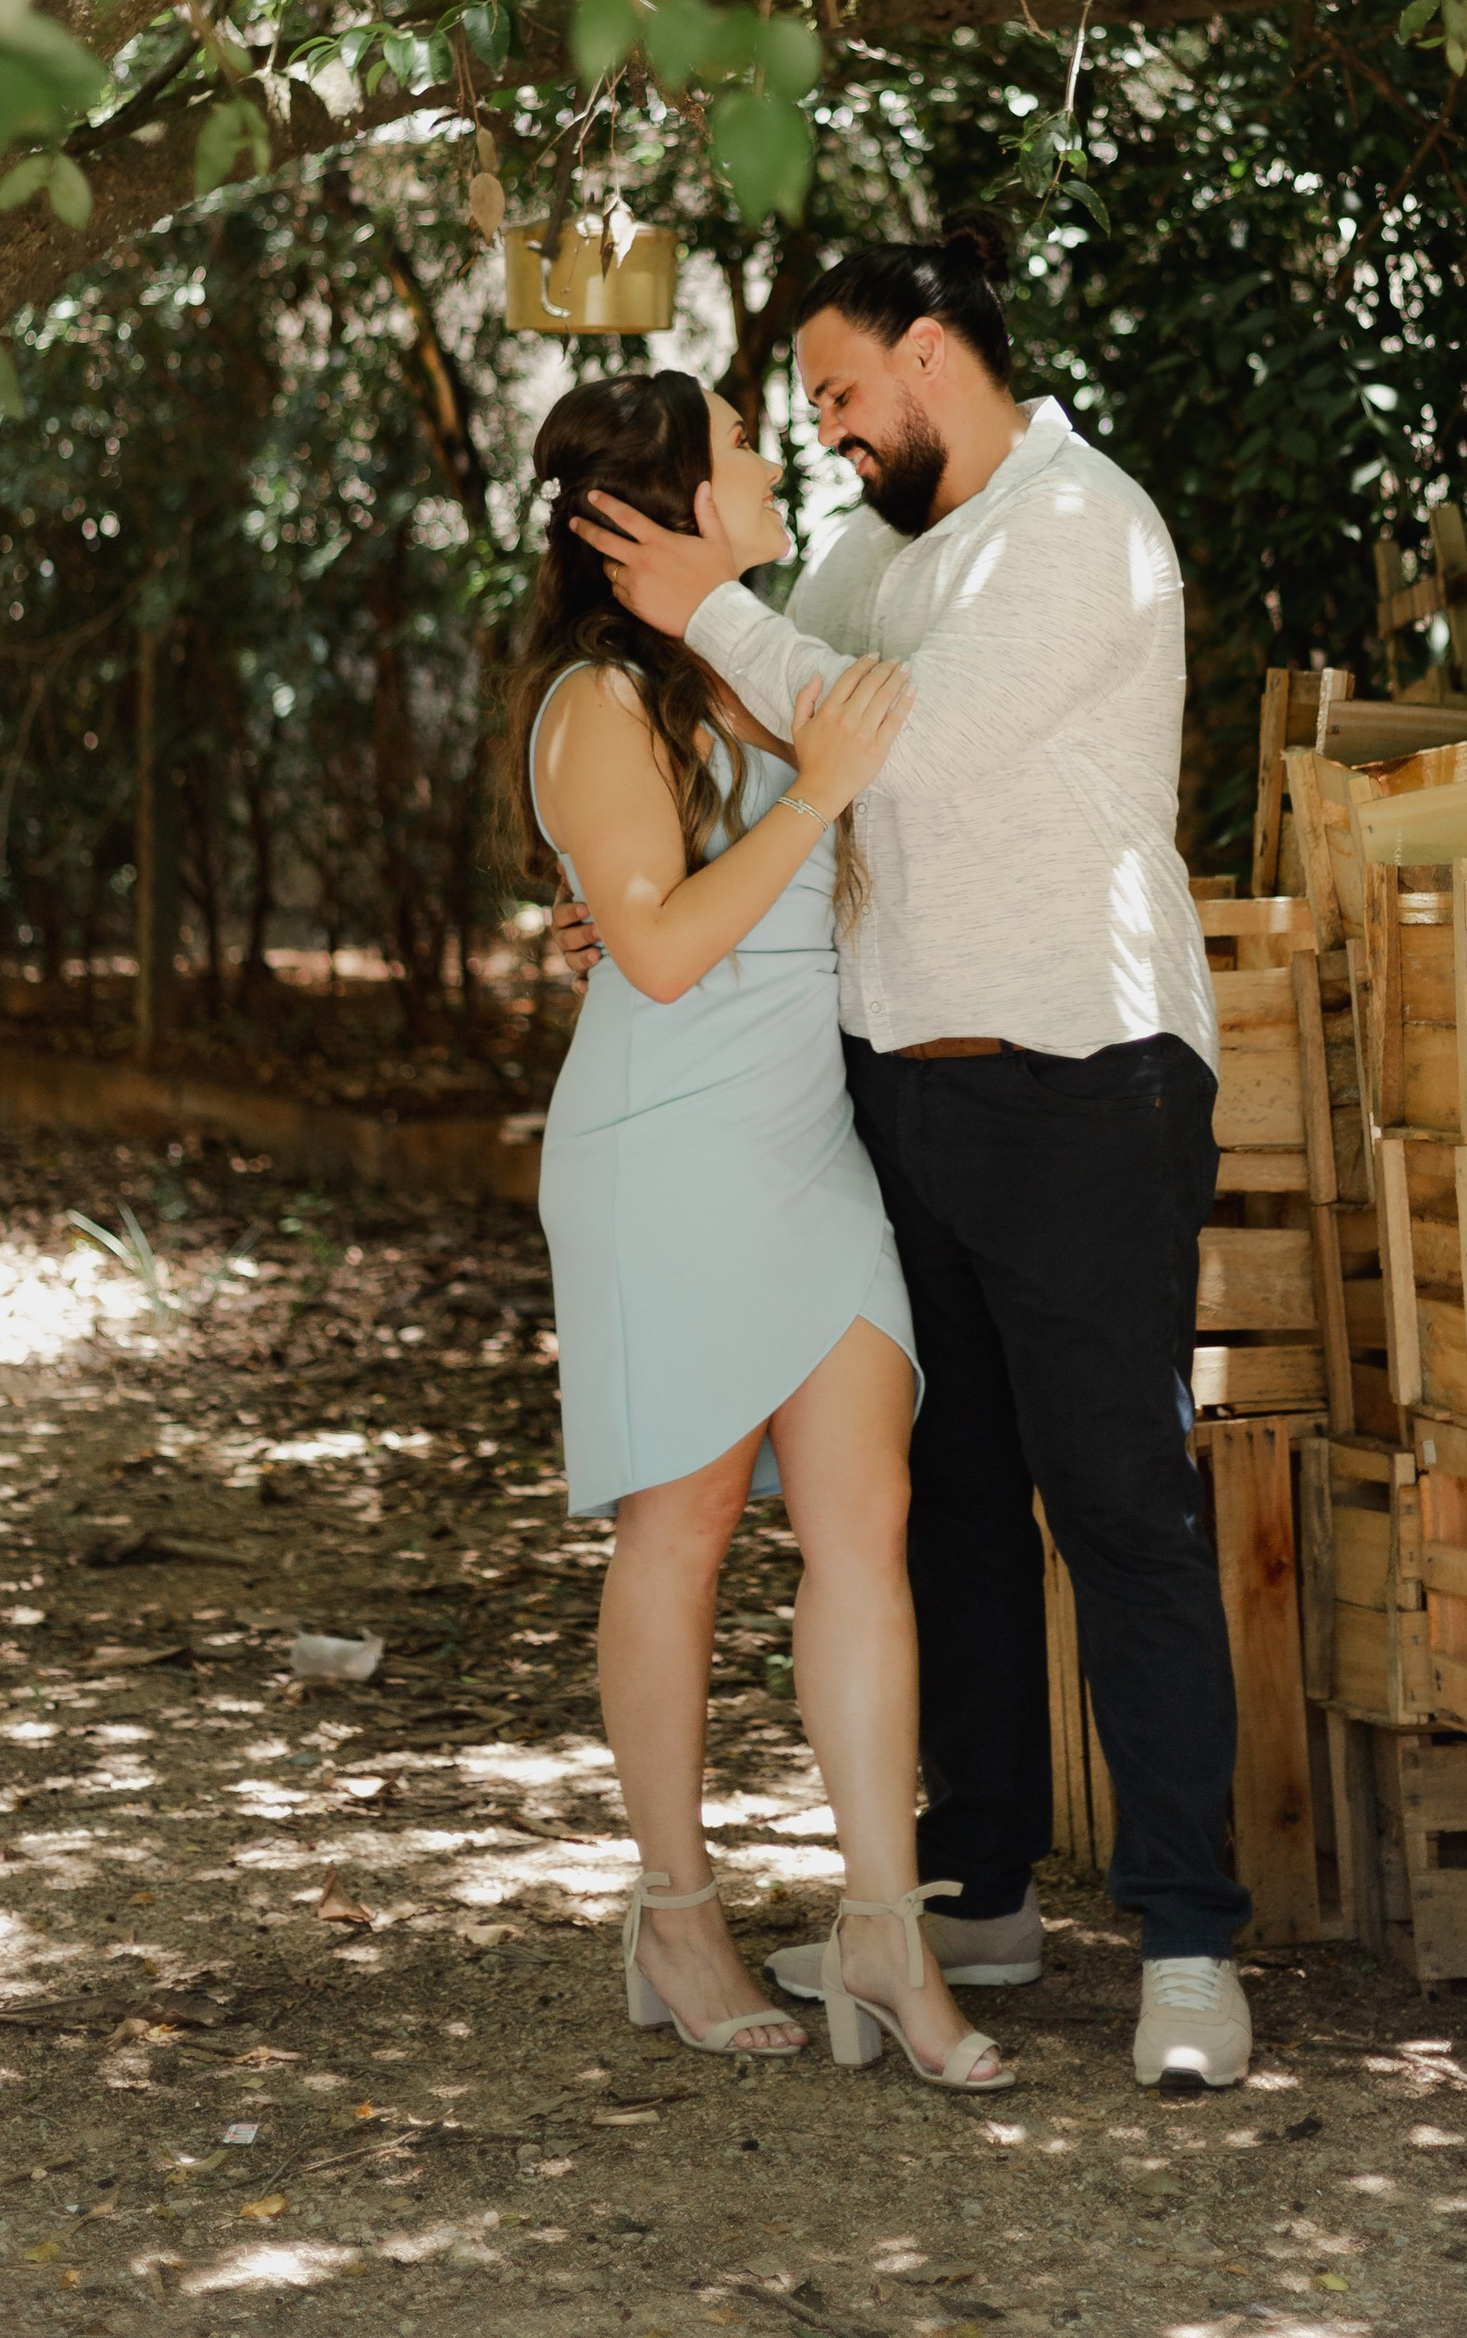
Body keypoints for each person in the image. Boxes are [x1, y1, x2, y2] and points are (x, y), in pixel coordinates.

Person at [570, 219, 1253, 2093]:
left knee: (1116, 1504)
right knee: (939, 1510)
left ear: (935, 352)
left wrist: (699, 595)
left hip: (1089, 1079)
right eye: (808, 412)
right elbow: (776, 754)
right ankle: (982, 1894)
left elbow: (902, 754)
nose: (833, 438)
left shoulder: (1078, 531)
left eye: (845, 395)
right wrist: (623, 901)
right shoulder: (876, 556)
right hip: (897, 1090)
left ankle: (1190, 1940)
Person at [513, 366, 1013, 2093]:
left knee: (864, 1521)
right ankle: (674, 1909)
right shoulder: (598, 703)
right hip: (666, 1150)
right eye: (735, 445)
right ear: (660, 506)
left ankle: (885, 1926)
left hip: (808, 1142)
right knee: (688, 1523)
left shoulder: (760, 665)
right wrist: (815, 794)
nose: (770, 457)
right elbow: (652, 953)